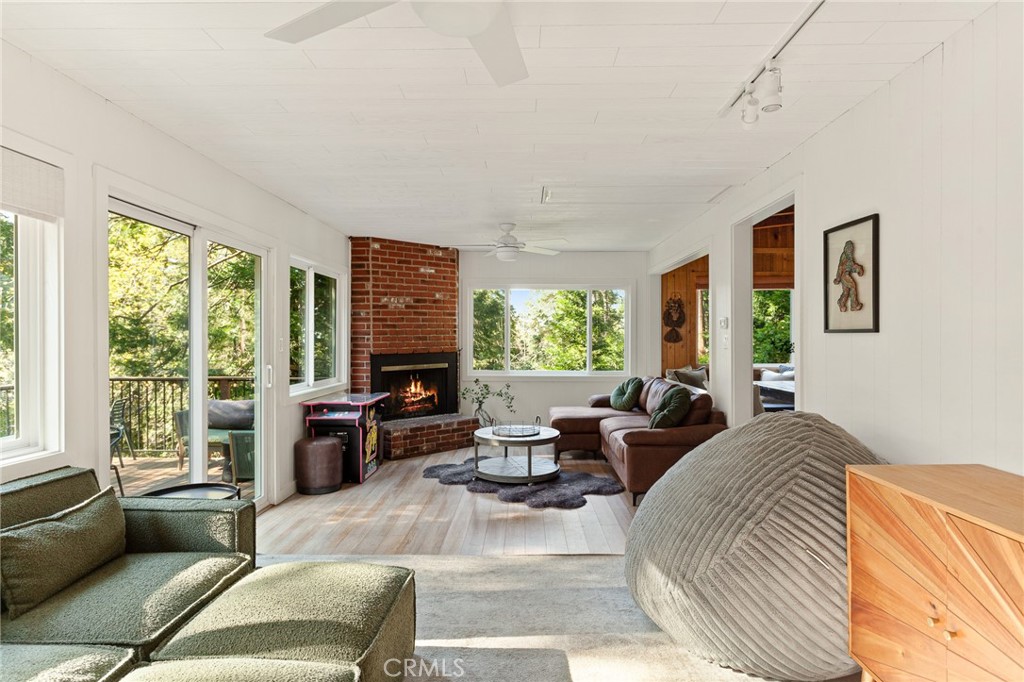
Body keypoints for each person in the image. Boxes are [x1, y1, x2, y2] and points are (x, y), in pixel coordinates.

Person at [833, 240, 864, 312]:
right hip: (844, 275)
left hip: (843, 275)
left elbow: (850, 266)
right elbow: (844, 266)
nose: (851, 250)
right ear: (846, 248)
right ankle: (854, 305)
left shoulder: (847, 255)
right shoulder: (846, 256)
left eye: (851, 249)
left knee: (846, 291)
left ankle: (841, 302)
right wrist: (858, 269)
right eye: (849, 248)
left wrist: (858, 269)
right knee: (852, 286)